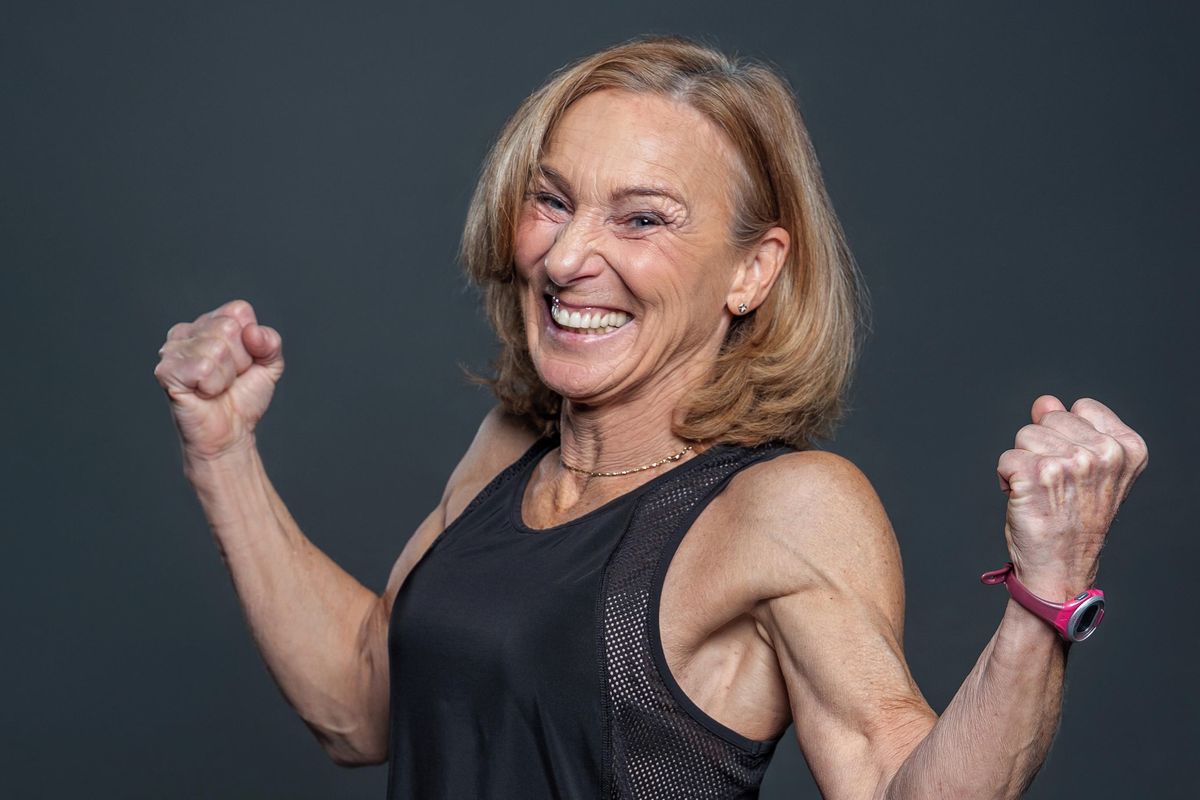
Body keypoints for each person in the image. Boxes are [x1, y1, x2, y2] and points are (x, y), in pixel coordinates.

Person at [153, 36, 1148, 799]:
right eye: (552, 201)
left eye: (641, 218)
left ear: (753, 269)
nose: (565, 258)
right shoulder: (511, 449)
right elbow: (359, 705)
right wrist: (222, 450)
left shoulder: (787, 508)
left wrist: (1048, 592)